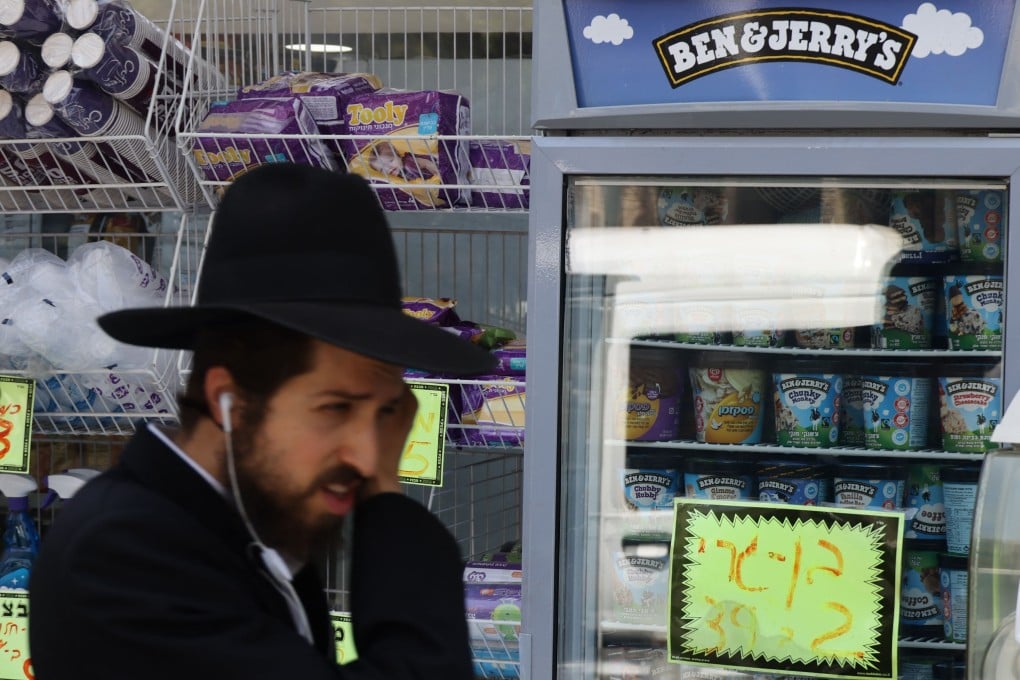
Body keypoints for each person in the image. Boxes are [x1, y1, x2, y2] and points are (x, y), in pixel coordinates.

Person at [28, 163, 496, 679]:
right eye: (334, 409)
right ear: (230, 400)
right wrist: (385, 498)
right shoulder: (124, 558)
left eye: (386, 412)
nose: (369, 451)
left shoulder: (243, 523)